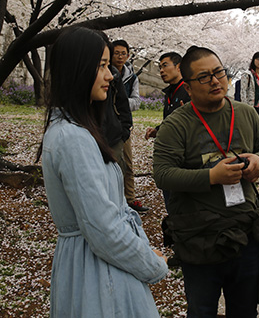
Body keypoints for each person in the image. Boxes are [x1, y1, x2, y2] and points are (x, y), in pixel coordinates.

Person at [41, 27, 167, 317]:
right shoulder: (73, 138)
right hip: (98, 271)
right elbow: (103, 229)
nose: (111, 75)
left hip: (98, 263)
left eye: (108, 65)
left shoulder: (78, 130)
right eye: (100, 66)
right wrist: (152, 263)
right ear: (77, 69)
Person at [153, 46, 259, 318]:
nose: (216, 81)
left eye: (219, 72)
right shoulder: (176, 125)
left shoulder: (245, 113)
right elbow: (162, 174)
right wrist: (211, 176)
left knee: (245, 310)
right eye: (204, 77)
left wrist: (258, 161)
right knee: (202, 310)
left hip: (245, 232)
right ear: (188, 86)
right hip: (200, 237)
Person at [111, 39, 148, 212]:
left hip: (122, 125)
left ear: (128, 55)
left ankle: (130, 198)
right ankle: (113, 199)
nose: (119, 56)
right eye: (116, 53)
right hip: (104, 124)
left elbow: (136, 102)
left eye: (123, 53)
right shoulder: (105, 72)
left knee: (127, 163)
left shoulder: (131, 78)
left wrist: (120, 102)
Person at [145, 52, 191, 140]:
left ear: (178, 67)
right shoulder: (169, 92)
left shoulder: (189, 90)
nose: (161, 70)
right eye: (160, 67)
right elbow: (170, 120)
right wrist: (157, 130)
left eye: (165, 65)